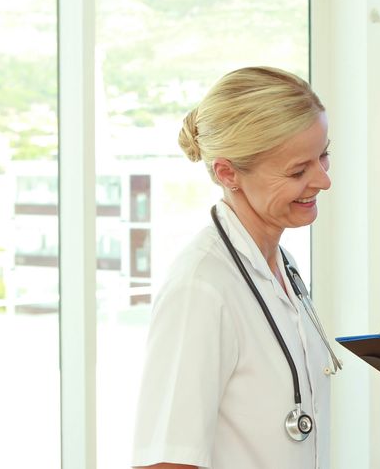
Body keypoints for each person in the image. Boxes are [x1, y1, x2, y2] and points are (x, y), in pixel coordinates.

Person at [132, 66, 342, 469]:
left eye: (323, 156)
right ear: (228, 173)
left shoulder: (283, 267)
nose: (323, 180)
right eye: (298, 170)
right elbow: (166, 461)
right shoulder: (202, 287)